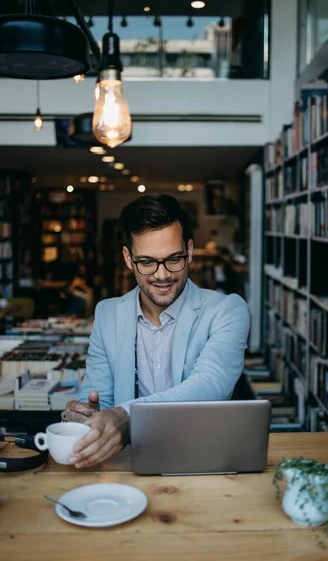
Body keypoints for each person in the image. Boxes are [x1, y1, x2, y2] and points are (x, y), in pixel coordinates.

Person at [63, 195, 250, 468]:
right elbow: (97, 398)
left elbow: (210, 385)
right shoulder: (107, 314)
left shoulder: (227, 310)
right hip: (128, 464)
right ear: (128, 258)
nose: (162, 275)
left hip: (204, 461)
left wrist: (127, 414)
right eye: (147, 262)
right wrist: (87, 418)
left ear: (190, 249)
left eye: (174, 259)